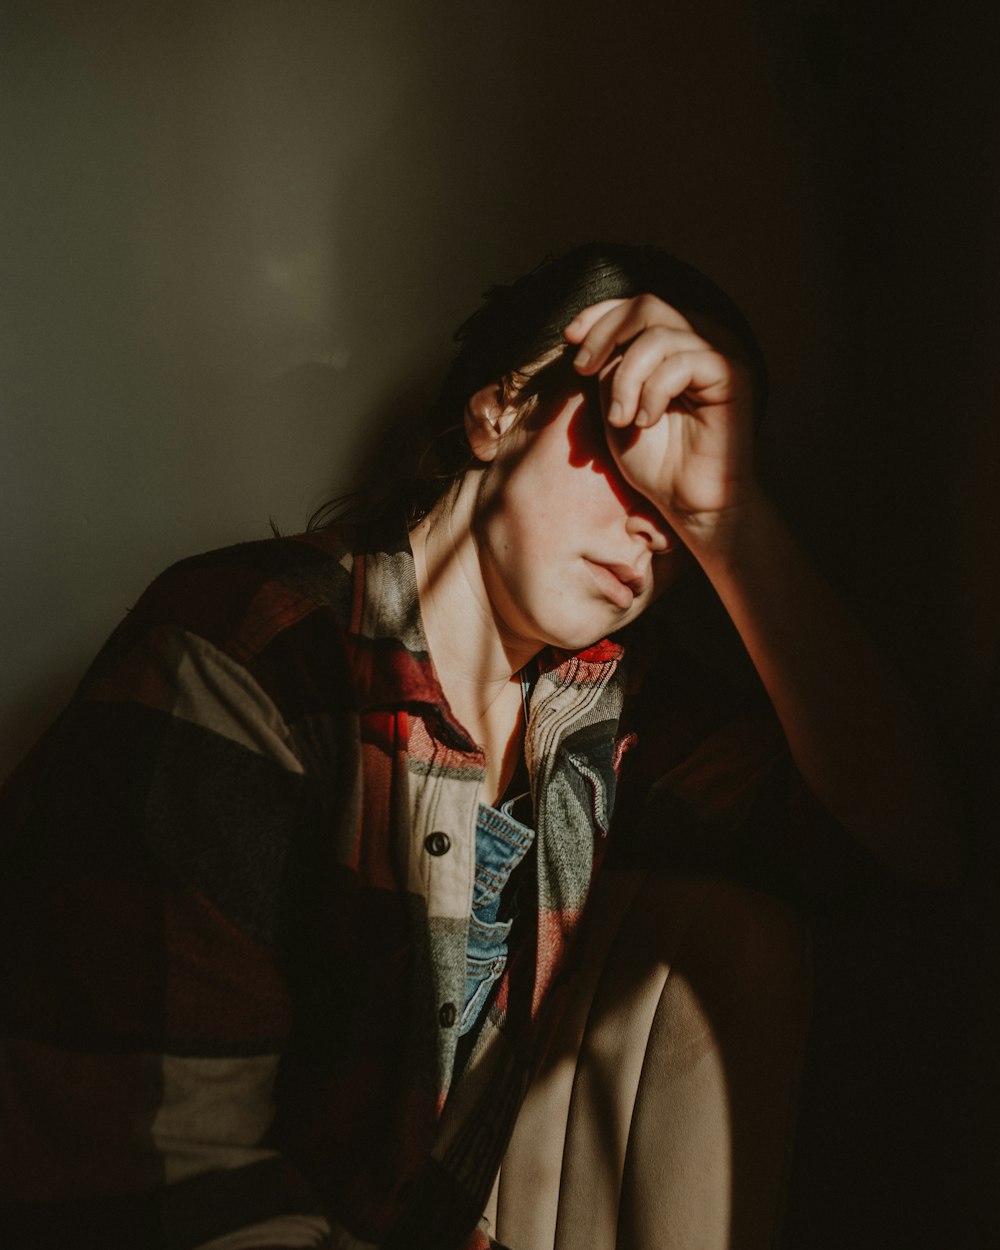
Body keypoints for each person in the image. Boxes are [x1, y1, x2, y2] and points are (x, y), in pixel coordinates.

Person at [0, 243, 959, 1250]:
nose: (654, 523)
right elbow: (152, 1190)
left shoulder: (599, 703)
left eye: (685, 495)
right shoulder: (246, 657)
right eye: (632, 438)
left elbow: (906, 849)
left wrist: (733, 520)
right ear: (498, 411)